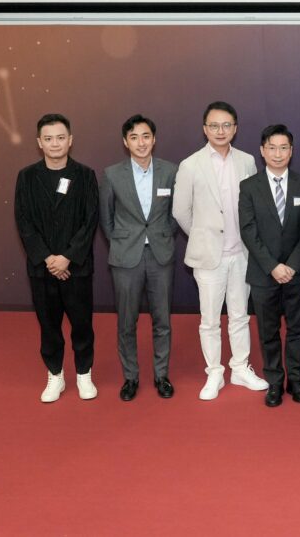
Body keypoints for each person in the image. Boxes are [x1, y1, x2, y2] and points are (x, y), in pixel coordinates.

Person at [173, 101, 267, 400]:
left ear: (235, 129)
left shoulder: (248, 161)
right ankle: (214, 372)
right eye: (214, 125)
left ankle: (240, 367)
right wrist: (202, 236)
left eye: (226, 125)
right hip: (209, 257)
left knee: (240, 315)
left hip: (242, 254)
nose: (220, 130)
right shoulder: (190, 165)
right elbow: (180, 211)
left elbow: (253, 207)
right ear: (205, 129)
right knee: (210, 320)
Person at [14, 113, 99, 402]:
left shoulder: (85, 175)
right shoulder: (26, 177)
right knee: (49, 326)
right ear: (39, 143)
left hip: (77, 268)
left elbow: (90, 221)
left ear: (70, 140)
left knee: (82, 324)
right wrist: (49, 259)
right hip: (43, 269)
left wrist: (68, 258)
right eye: (48, 139)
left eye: (60, 137)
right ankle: (55, 376)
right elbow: (23, 222)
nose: (55, 144)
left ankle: (84, 374)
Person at [98, 114, 178, 402]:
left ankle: (161, 375)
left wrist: (161, 236)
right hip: (125, 257)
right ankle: (130, 377)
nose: (141, 142)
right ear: (125, 142)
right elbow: (105, 220)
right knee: (126, 322)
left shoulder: (171, 171)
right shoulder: (111, 174)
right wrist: (123, 242)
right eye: (134, 137)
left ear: (154, 139)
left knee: (163, 320)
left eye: (146, 136)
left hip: (160, 255)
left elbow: (175, 216)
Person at [238, 125, 300, 408]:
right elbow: (248, 230)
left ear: (291, 151)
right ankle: (274, 382)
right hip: (263, 272)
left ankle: (295, 380)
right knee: (268, 331)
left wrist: (291, 265)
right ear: (262, 150)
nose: (278, 153)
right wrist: (272, 266)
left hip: (296, 271)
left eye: (284, 148)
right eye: (272, 147)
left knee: (297, 329)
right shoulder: (249, 187)